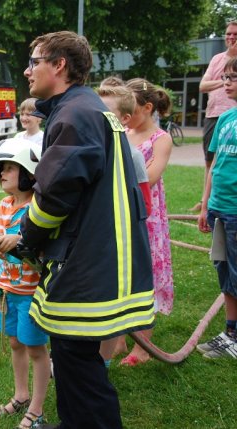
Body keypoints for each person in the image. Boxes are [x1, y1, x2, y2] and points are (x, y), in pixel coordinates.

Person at [18, 31, 155, 429]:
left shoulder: (75, 114)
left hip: (90, 263)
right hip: (102, 256)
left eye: (35, 61)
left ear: (59, 65)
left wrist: (27, 235)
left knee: (79, 367)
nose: (28, 71)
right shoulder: (86, 107)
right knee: (77, 362)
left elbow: (56, 194)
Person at [0, 139, 50, 429]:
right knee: (15, 342)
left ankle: (37, 409)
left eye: (9, 168)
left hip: (30, 292)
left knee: (35, 348)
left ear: (28, 172)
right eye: (0, 169)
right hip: (6, 288)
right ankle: (21, 395)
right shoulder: (4, 204)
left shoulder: (38, 208)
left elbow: (43, 245)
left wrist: (20, 241)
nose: (3, 174)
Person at [96, 84, 153, 364]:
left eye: (105, 112)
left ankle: (103, 361)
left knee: (114, 303)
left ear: (125, 119)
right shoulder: (92, 151)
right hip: (94, 241)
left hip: (119, 243)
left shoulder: (133, 156)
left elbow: (143, 205)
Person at [120, 78, 173, 366]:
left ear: (148, 108)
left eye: (131, 109)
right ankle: (117, 340)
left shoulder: (161, 139)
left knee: (144, 272)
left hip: (146, 216)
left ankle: (143, 345)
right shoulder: (124, 133)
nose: (126, 116)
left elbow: (150, 177)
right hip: (121, 211)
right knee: (122, 273)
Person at [197, 56, 237, 359]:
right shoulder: (225, 119)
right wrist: (205, 204)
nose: (226, 83)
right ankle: (230, 332)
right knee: (224, 270)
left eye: (233, 78)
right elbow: (212, 166)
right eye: (225, 77)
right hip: (219, 208)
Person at [193, 21, 237, 212]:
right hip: (215, 115)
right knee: (211, 160)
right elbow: (202, 86)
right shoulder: (217, 59)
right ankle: (206, 201)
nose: (231, 38)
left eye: (235, 34)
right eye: (228, 34)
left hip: (233, 114)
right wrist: (226, 78)